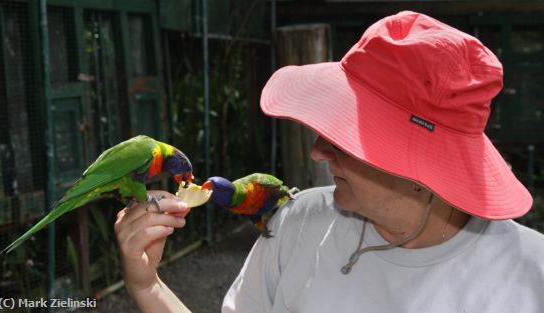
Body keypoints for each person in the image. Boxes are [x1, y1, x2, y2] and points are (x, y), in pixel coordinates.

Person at [115, 11, 544, 313]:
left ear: (424, 171)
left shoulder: (529, 278)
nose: (318, 150)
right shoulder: (296, 223)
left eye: (349, 138)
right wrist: (148, 286)